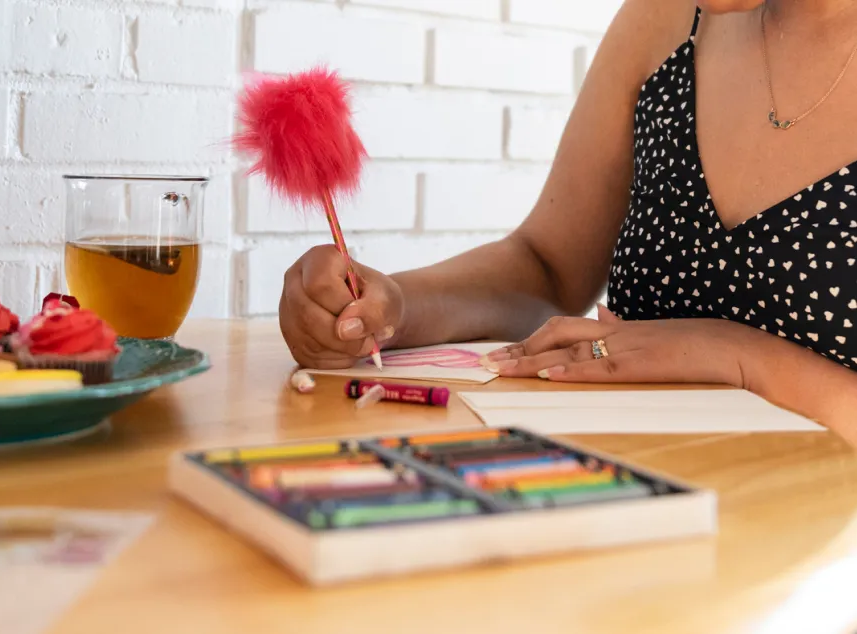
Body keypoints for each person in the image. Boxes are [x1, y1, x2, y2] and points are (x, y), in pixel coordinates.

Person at [278, 0, 857, 443]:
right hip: (626, 508)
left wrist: (741, 358)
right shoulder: (668, 21)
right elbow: (549, 269)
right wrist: (391, 308)